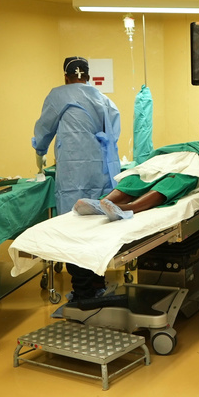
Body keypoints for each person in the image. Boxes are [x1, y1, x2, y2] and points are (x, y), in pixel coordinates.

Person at [32, 56, 122, 300]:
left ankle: (82, 290)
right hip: (100, 171)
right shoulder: (102, 99)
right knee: (97, 225)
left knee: (74, 228)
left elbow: (44, 129)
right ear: (89, 76)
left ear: (66, 76)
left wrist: (39, 151)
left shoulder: (57, 95)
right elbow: (113, 132)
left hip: (72, 173)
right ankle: (97, 284)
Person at [74, 149, 199, 220]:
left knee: (174, 181)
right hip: (166, 160)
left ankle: (128, 208)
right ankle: (105, 202)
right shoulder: (181, 148)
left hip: (191, 166)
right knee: (138, 175)